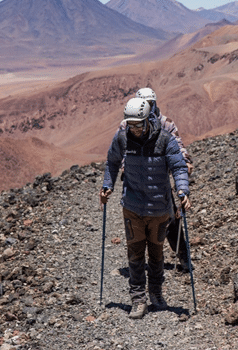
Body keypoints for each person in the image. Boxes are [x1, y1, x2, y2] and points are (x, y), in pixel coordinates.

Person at [100, 97, 191, 319]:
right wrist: (107, 185)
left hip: (159, 207)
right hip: (132, 206)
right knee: (135, 253)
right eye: (131, 125)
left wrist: (182, 191)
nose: (135, 130)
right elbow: (112, 162)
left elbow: (179, 166)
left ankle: (157, 294)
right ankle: (138, 299)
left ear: (149, 119)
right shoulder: (123, 138)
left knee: (157, 254)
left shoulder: (165, 139)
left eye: (139, 125)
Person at [119, 87, 194, 272]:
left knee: (171, 219)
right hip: (136, 183)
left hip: (159, 181)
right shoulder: (127, 124)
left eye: (151, 104)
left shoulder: (166, 123)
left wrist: (184, 161)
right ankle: (140, 266)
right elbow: (121, 147)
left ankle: (183, 258)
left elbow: (177, 145)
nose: (148, 108)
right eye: (145, 104)